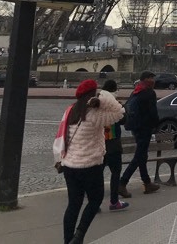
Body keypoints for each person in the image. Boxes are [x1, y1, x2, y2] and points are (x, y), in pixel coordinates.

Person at [60, 78, 124, 244]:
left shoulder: (71, 111)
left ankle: (68, 240)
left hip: (70, 165)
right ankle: (79, 235)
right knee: (95, 200)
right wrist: (102, 98)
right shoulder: (95, 114)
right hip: (90, 165)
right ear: (91, 94)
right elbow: (118, 111)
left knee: (73, 204)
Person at [119, 71, 160, 196]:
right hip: (145, 128)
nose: (153, 80)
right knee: (139, 157)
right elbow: (153, 112)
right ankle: (122, 183)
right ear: (146, 79)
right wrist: (156, 125)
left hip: (135, 127)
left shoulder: (136, 91)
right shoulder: (149, 93)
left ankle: (147, 183)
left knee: (142, 155)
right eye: (151, 78)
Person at [101, 79, 129, 211]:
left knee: (97, 176)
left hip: (100, 144)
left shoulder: (98, 102)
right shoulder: (115, 104)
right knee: (116, 172)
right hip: (113, 144)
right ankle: (114, 201)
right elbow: (123, 119)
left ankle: (95, 203)